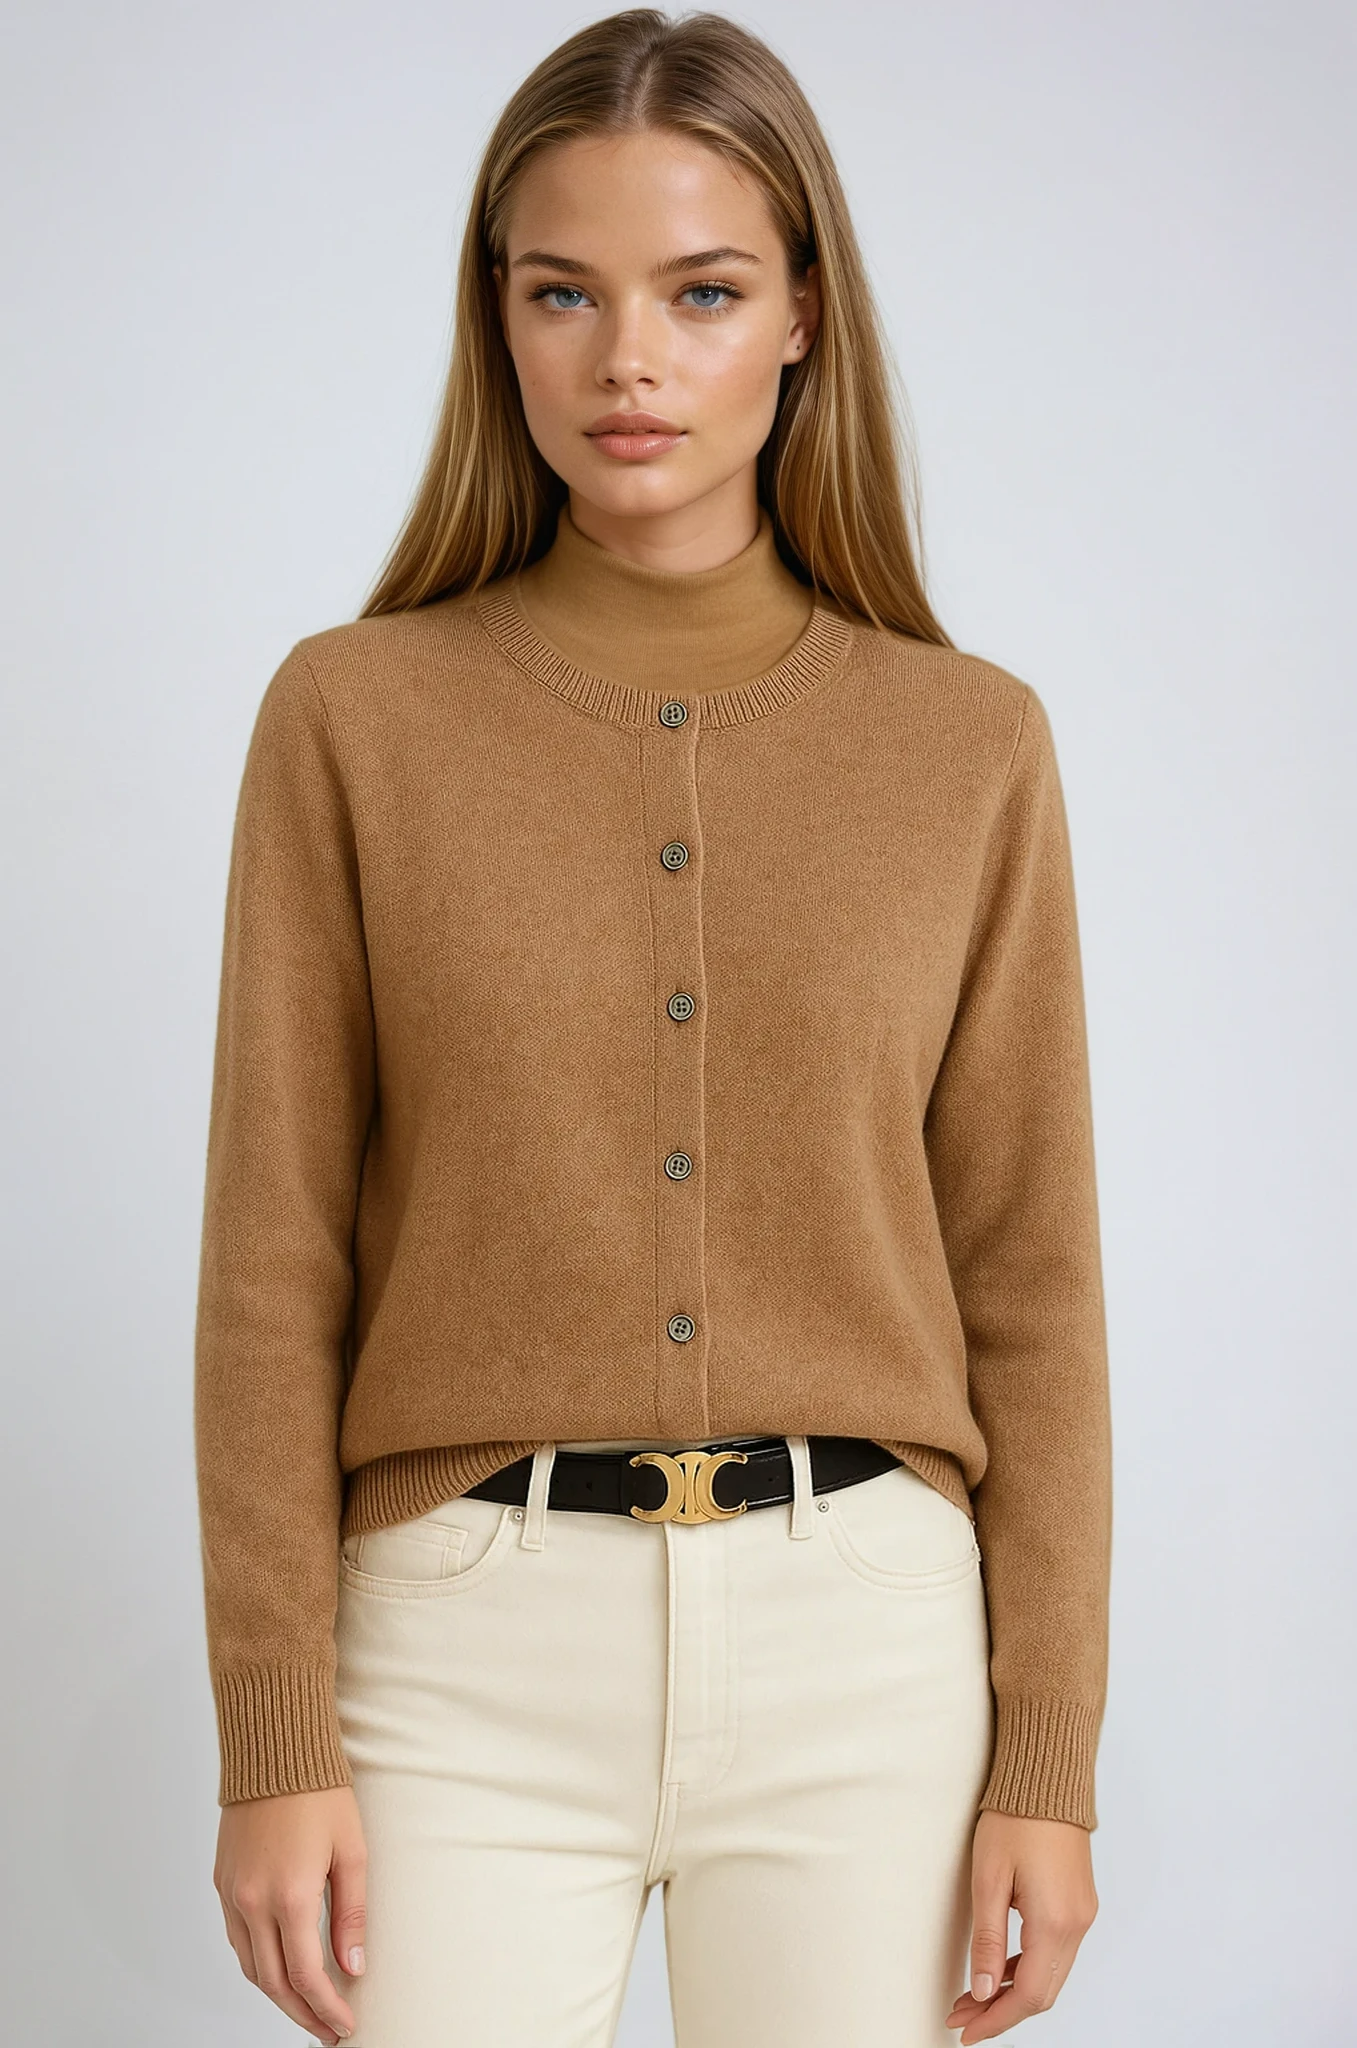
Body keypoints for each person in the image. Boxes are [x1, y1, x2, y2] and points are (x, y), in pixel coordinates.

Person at [193, 10, 1112, 2046]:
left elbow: (1033, 1278)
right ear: (497, 320)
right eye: (563, 292)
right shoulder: (353, 716)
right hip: (458, 1648)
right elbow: (273, 1257)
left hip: (868, 1648)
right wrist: (274, 1732)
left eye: (700, 292)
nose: (629, 358)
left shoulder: (967, 745)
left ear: (800, 317)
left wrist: (1047, 1759)